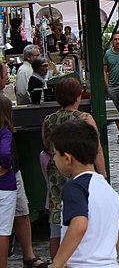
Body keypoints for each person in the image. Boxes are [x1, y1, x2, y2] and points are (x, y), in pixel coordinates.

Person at [47, 119, 119, 268]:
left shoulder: (75, 188)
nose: (53, 158)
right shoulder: (108, 189)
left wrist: (57, 263)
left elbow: (79, 225)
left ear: (67, 158)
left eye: (55, 154)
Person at [41, 78, 107, 260]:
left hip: (56, 176)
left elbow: (47, 146)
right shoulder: (85, 119)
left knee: (56, 224)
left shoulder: (48, 119)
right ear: (78, 96)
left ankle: (57, 261)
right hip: (81, 174)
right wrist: (103, 175)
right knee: (82, 217)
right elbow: (97, 149)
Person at [0, 64, 47, 268]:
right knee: (5, 225)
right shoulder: (3, 103)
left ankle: (28, 255)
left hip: (11, 167)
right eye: (5, 75)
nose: (7, 78)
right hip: (8, 168)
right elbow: (5, 145)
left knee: (21, 210)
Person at [0, 95, 17, 268]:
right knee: (3, 230)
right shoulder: (5, 132)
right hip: (5, 184)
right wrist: (6, 165)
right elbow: (5, 153)